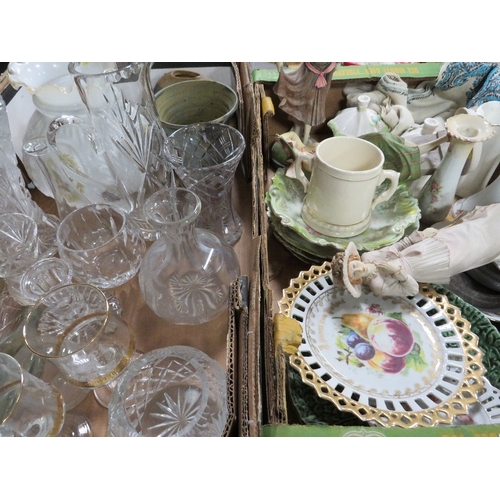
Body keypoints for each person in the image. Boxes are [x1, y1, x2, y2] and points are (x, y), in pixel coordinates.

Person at [273, 62, 337, 145]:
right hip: (309, 84)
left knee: (308, 114)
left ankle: (305, 140)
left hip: (317, 88)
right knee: (304, 112)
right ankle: (301, 134)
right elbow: (335, 67)